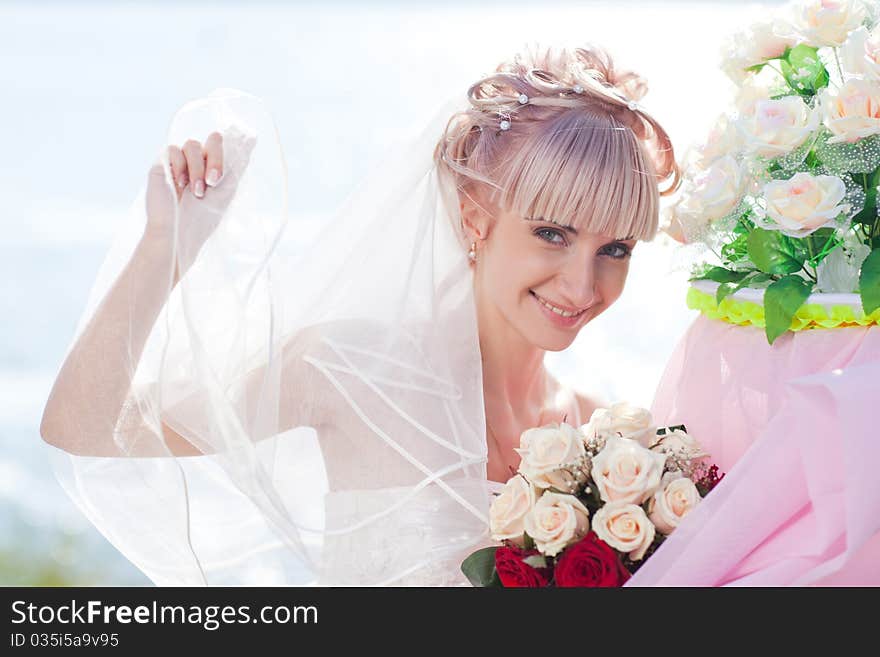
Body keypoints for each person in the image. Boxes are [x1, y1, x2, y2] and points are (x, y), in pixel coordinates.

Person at [39, 45, 679, 585]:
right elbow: (84, 426)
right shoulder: (352, 368)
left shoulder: (609, 440)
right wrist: (166, 247)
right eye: (553, 234)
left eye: (615, 248)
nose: (582, 284)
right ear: (476, 220)